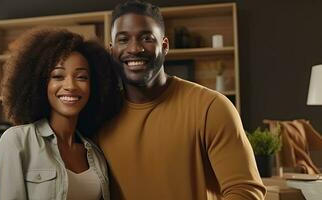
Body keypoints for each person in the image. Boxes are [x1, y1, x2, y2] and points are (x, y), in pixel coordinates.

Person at [97, 1, 267, 199]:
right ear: (111, 50)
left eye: (146, 38)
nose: (134, 48)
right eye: (123, 40)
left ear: (165, 45)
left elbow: (246, 192)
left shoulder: (211, 108)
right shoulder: (101, 115)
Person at [0, 27, 122, 200]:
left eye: (82, 77)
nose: (70, 86)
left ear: (95, 86)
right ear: (41, 84)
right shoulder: (17, 142)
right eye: (58, 76)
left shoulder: (96, 153)